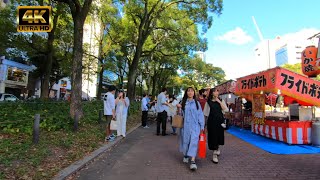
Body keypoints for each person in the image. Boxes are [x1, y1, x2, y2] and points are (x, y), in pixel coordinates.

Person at [179, 87, 205, 171]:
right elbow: (180, 115)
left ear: (194, 93)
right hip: (185, 126)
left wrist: (202, 126)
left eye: (192, 91)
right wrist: (179, 108)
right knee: (186, 142)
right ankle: (186, 155)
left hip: (195, 126)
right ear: (186, 93)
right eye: (188, 91)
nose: (190, 92)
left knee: (194, 142)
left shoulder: (197, 103)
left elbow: (200, 114)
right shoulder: (183, 102)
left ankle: (193, 161)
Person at [203, 87, 228, 164]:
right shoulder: (208, 102)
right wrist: (204, 125)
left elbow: (226, 110)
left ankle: (217, 148)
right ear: (212, 93)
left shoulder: (221, 100)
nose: (217, 92)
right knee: (213, 136)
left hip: (219, 122)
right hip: (211, 122)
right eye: (215, 91)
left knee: (219, 136)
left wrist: (219, 102)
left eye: (217, 91)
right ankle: (214, 154)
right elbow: (205, 114)